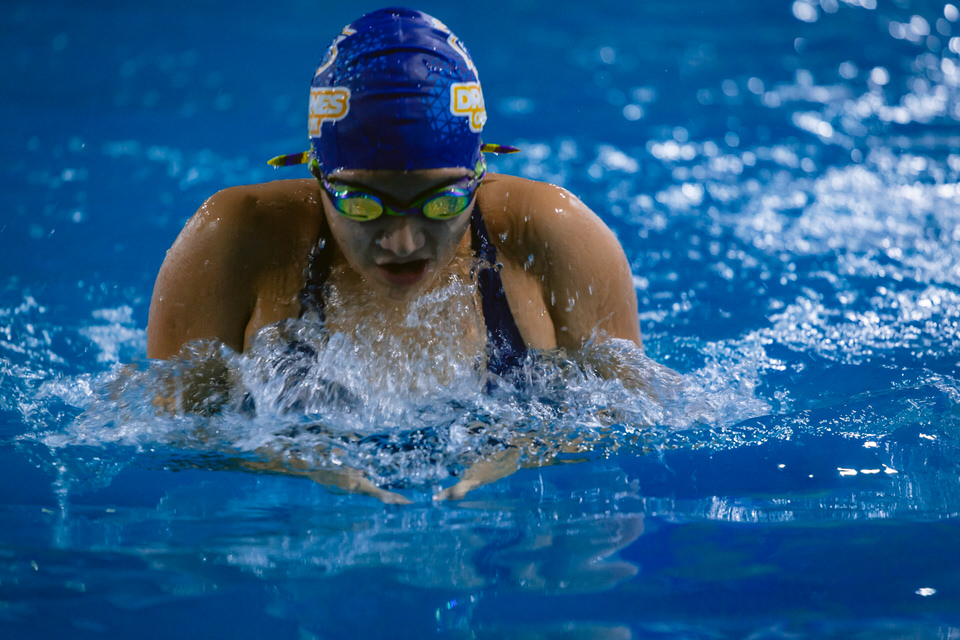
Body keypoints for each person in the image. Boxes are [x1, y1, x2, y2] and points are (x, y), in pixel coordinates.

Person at [146, 8, 660, 500]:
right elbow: (165, 434)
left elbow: (639, 419)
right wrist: (293, 461)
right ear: (316, 173)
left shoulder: (554, 235)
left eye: (442, 202)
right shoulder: (234, 240)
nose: (404, 242)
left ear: (479, 172)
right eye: (362, 203)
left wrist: (523, 453)